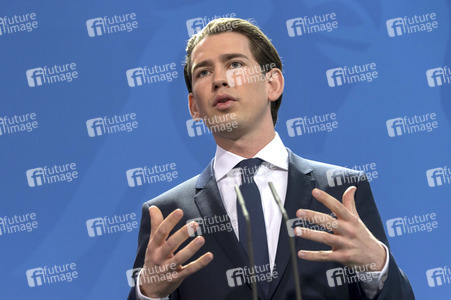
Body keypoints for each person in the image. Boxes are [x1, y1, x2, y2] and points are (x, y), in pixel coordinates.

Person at [128, 18, 414, 300]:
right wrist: (149, 294)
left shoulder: (342, 191)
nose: (219, 80)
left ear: (273, 84)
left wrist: (377, 267)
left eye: (235, 64)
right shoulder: (167, 215)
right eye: (203, 72)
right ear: (194, 106)